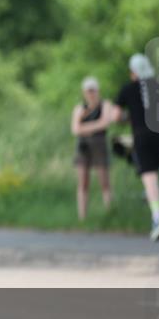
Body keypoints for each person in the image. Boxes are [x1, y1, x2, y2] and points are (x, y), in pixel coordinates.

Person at [108, 53, 159, 241]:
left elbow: (115, 116)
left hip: (142, 136)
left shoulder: (128, 89)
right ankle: (151, 203)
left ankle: (158, 218)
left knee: (150, 177)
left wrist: (128, 117)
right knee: (153, 175)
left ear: (133, 72)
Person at [70, 76, 112, 221]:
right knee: (82, 182)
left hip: (99, 144)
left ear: (98, 91)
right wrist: (93, 126)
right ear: (84, 92)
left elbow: (105, 123)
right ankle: (82, 217)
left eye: (93, 90)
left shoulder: (105, 105)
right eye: (88, 91)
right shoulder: (80, 108)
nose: (91, 94)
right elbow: (75, 129)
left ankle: (109, 213)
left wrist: (85, 127)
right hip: (83, 146)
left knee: (104, 180)